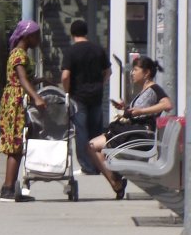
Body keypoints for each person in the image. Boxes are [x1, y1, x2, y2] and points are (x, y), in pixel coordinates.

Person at [87, 55, 172, 199]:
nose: (132, 73)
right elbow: (138, 113)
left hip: (138, 136)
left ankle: (117, 184)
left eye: (135, 69)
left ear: (146, 73)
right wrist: (125, 108)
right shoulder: (144, 91)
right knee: (93, 148)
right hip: (131, 133)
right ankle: (116, 183)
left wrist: (140, 111)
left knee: (92, 147)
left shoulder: (154, 89)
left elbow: (168, 104)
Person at [0, 19, 48, 201]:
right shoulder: (19, 54)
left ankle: (9, 187)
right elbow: (21, 78)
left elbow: (24, 78)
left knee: (17, 145)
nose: (39, 40)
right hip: (16, 102)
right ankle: (8, 189)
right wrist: (37, 97)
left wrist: (41, 81)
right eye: (37, 36)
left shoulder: (18, 53)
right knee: (15, 146)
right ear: (28, 36)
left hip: (15, 99)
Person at [60, 19, 110, 174]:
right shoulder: (98, 49)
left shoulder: (71, 51)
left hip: (78, 97)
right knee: (96, 130)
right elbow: (108, 71)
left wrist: (67, 91)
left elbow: (65, 76)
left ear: (72, 33)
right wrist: (100, 83)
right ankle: (98, 164)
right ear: (86, 32)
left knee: (81, 131)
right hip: (96, 95)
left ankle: (87, 166)